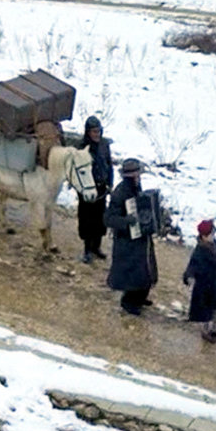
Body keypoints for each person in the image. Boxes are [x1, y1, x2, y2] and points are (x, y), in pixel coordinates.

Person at [104, 158, 157, 315]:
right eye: (136, 173)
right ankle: (129, 302)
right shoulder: (120, 193)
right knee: (134, 273)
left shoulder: (135, 188)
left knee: (146, 270)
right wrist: (127, 221)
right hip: (127, 241)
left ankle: (139, 297)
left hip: (141, 238)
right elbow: (108, 219)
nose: (138, 176)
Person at [183, 219, 216, 343]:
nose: (213, 236)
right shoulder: (199, 251)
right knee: (205, 311)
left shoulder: (213, 245)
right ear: (204, 236)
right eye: (211, 234)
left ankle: (215, 328)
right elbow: (192, 267)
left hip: (215, 283)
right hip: (203, 286)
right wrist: (189, 277)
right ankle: (205, 331)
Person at [77, 116, 113, 264]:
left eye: (98, 131)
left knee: (99, 219)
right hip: (87, 188)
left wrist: (110, 183)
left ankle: (96, 247)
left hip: (101, 187)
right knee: (87, 219)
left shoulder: (104, 145)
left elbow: (109, 164)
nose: (96, 134)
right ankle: (87, 249)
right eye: (93, 131)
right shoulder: (82, 147)